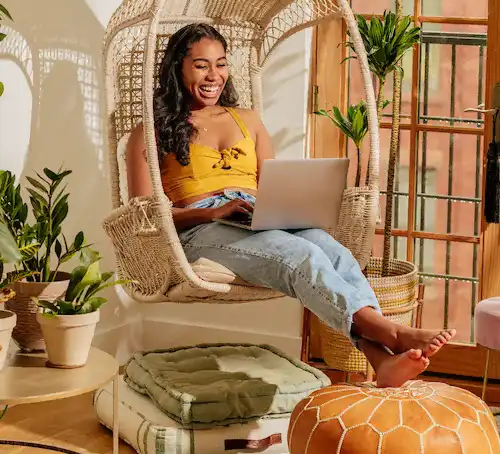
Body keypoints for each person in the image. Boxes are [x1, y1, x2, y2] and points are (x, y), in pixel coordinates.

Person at [126, 23, 455, 388]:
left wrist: (291, 203)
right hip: (198, 229)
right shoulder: (151, 130)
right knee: (302, 257)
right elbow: (145, 218)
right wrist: (213, 212)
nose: (214, 75)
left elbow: (273, 183)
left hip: (257, 215)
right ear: (178, 68)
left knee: (335, 252)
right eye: (201, 65)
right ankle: (391, 334)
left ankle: (380, 359)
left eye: (221, 64)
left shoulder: (247, 119)